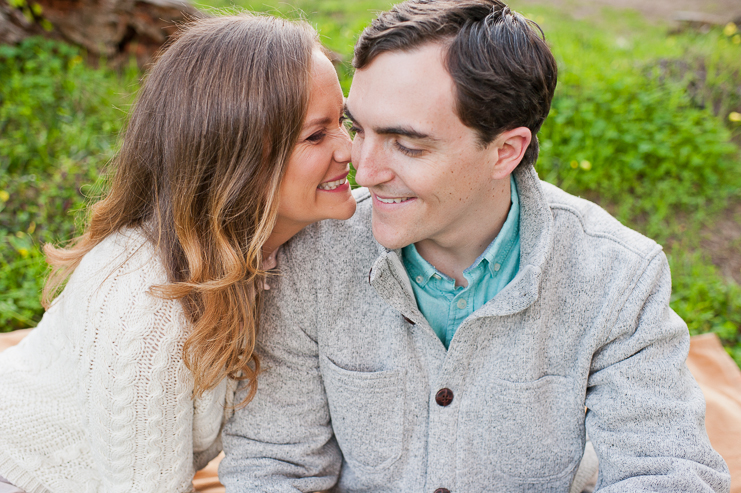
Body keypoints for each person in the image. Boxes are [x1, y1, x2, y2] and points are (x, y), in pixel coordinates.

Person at [220, 1, 731, 491]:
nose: (365, 170)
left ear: (506, 150)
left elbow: (667, 471)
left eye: (408, 144)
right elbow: (272, 465)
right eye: (359, 128)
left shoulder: (617, 274)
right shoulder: (310, 256)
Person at [0, 13, 355, 493]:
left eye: (344, 121)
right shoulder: (147, 312)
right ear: (239, 162)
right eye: (317, 135)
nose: (349, 150)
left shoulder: (285, 246)